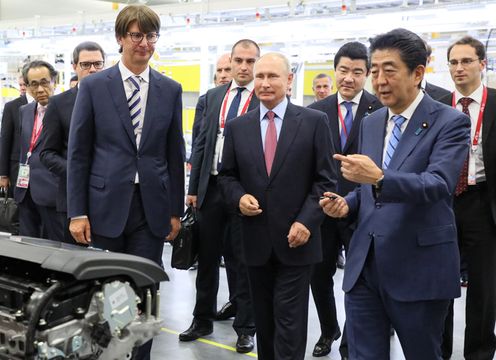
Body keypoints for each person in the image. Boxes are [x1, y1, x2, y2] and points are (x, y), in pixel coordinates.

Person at [320, 28, 470, 359]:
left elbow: (438, 184)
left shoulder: (449, 122)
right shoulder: (372, 123)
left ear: (418, 73)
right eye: (374, 70)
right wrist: (347, 204)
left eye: (390, 69)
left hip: (419, 267)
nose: (379, 79)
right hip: (365, 267)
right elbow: (369, 187)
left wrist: (380, 177)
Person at [66, 5, 184, 359]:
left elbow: (174, 154)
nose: (144, 43)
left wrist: (175, 211)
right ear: (120, 38)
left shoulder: (170, 89)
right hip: (103, 208)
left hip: (151, 208)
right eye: (136, 35)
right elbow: (78, 153)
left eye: (150, 36)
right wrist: (77, 211)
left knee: (144, 290)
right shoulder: (95, 87)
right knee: (107, 293)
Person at [218, 52, 336, 360]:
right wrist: (238, 196)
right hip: (255, 240)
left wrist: (307, 221)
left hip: (298, 241)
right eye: (260, 77)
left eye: (272, 76)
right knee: (265, 322)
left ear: (289, 80)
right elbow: (227, 176)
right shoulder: (237, 127)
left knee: (289, 321)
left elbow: (325, 181)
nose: (265, 83)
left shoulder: (313, 122)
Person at [180, 39, 259, 354]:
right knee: (207, 257)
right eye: (238, 60)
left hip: (243, 192)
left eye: (249, 61)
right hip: (210, 189)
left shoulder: (262, 99)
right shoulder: (211, 98)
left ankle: (245, 327)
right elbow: (200, 143)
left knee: (242, 260)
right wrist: (192, 189)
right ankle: (202, 319)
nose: (242, 67)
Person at [308, 41, 382, 359]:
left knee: (359, 278)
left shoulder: (379, 110)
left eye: (356, 71)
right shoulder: (315, 112)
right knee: (319, 274)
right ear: (335, 70)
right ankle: (328, 330)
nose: (348, 78)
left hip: (362, 208)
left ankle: (351, 340)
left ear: (366, 74)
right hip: (323, 207)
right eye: (343, 70)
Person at [440, 35, 496, 360]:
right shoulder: (436, 107)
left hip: (482, 203)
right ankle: (439, 349)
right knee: (441, 282)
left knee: (484, 288)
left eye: (466, 61)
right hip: (442, 203)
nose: (459, 68)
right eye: (453, 62)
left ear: (482, 63)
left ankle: (479, 352)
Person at [39, 41, 105, 244]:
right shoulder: (59, 104)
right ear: (74, 67)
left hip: (109, 197)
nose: (92, 69)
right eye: (86, 65)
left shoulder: (115, 100)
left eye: (97, 64)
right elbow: (47, 153)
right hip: (73, 200)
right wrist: (76, 171)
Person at [16, 60, 64, 241]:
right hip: (25, 189)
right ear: (27, 87)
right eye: (33, 84)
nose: (40, 89)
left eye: (45, 82)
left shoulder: (67, 109)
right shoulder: (25, 111)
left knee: (55, 245)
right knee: (27, 245)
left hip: (53, 191)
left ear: (54, 81)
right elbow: (25, 149)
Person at [0, 75, 28, 197]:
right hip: (17, 169)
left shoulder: (50, 104)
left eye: (24, 84)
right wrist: (3, 174)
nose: (22, 88)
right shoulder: (11, 107)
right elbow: (5, 141)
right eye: (20, 85)